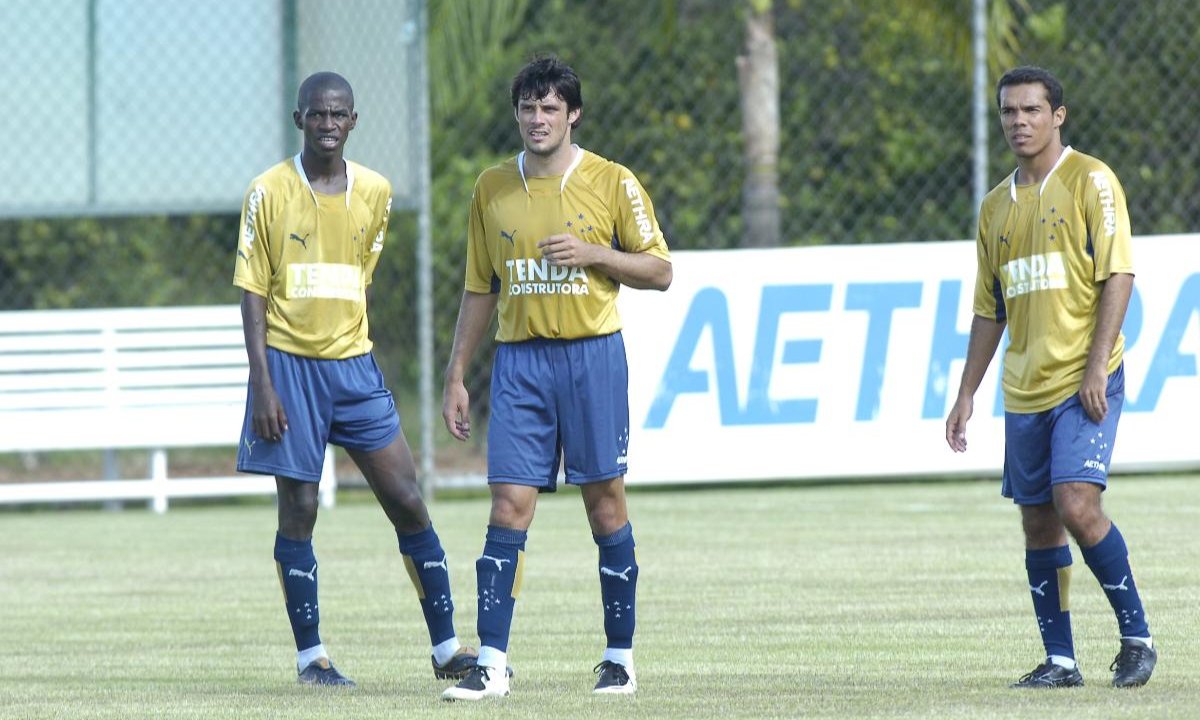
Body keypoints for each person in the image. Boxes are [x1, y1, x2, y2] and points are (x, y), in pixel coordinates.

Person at [232, 71, 477, 687]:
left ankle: (448, 649)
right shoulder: (268, 190)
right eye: (317, 114)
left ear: (353, 122)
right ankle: (311, 658)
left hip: (354, 367)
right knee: (302, 508)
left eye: (339, 114)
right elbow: (253, 293)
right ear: (299, 120)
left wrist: (347, 348)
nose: (328, 124)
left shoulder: (376, 191)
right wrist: (263, 384)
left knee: (407, 497)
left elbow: (360, 273)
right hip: (288, 368)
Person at [439, 55, 672, 701]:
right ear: (515, 114)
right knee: (508, 506)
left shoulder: (611, 180)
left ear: (573, 114)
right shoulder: (491, 188)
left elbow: (660, 270)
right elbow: (479, 288)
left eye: (549, 108)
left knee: (604, 504)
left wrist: (595, 253)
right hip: (520, 364)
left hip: (592, 357)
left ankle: (619, 657)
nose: (537, 119)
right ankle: (490, 663)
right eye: (527, 108)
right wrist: (457, 374)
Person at [945, 66, 1156, 689]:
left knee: (1077, 504)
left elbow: (1119, 275)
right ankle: (1061, 660)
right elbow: (991, 308)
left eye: (1032, 110)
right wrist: (965, 393)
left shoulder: (1092, 179)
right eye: (1009, 112)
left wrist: (1097, 365)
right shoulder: (994, 209)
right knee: (1038, 520)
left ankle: (1137, 639)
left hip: (1085, 379)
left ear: (1058, 115)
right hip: (1024, 388)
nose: (1019, 122)